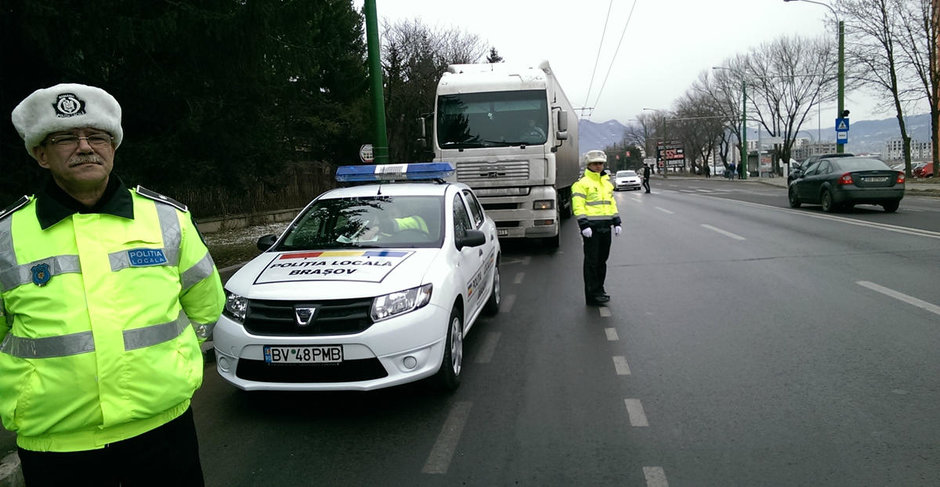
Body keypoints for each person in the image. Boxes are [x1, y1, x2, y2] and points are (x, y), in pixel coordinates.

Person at [1, 83, 225, 485]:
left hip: (163, 433)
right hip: (56, 448)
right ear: (41, 154)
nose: (85, 147)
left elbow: (206, 306)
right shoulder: (6, 236)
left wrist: (173, 360)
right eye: (66, 138)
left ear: (113, 147)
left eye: (97, 137)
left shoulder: (168, 220)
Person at [572, 150, 622, 306]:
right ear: (589, 165)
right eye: (595, 163)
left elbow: (611, 204)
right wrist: (584, 225)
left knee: (602, 262)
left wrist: (616, 221)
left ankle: (600, 290)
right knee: (592, 262)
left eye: (600, 163)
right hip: (591, 229)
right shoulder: (582, 184)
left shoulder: (606, 183)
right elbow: (578, 206)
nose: (598, 166)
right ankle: (592, 295)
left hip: (605, 227)